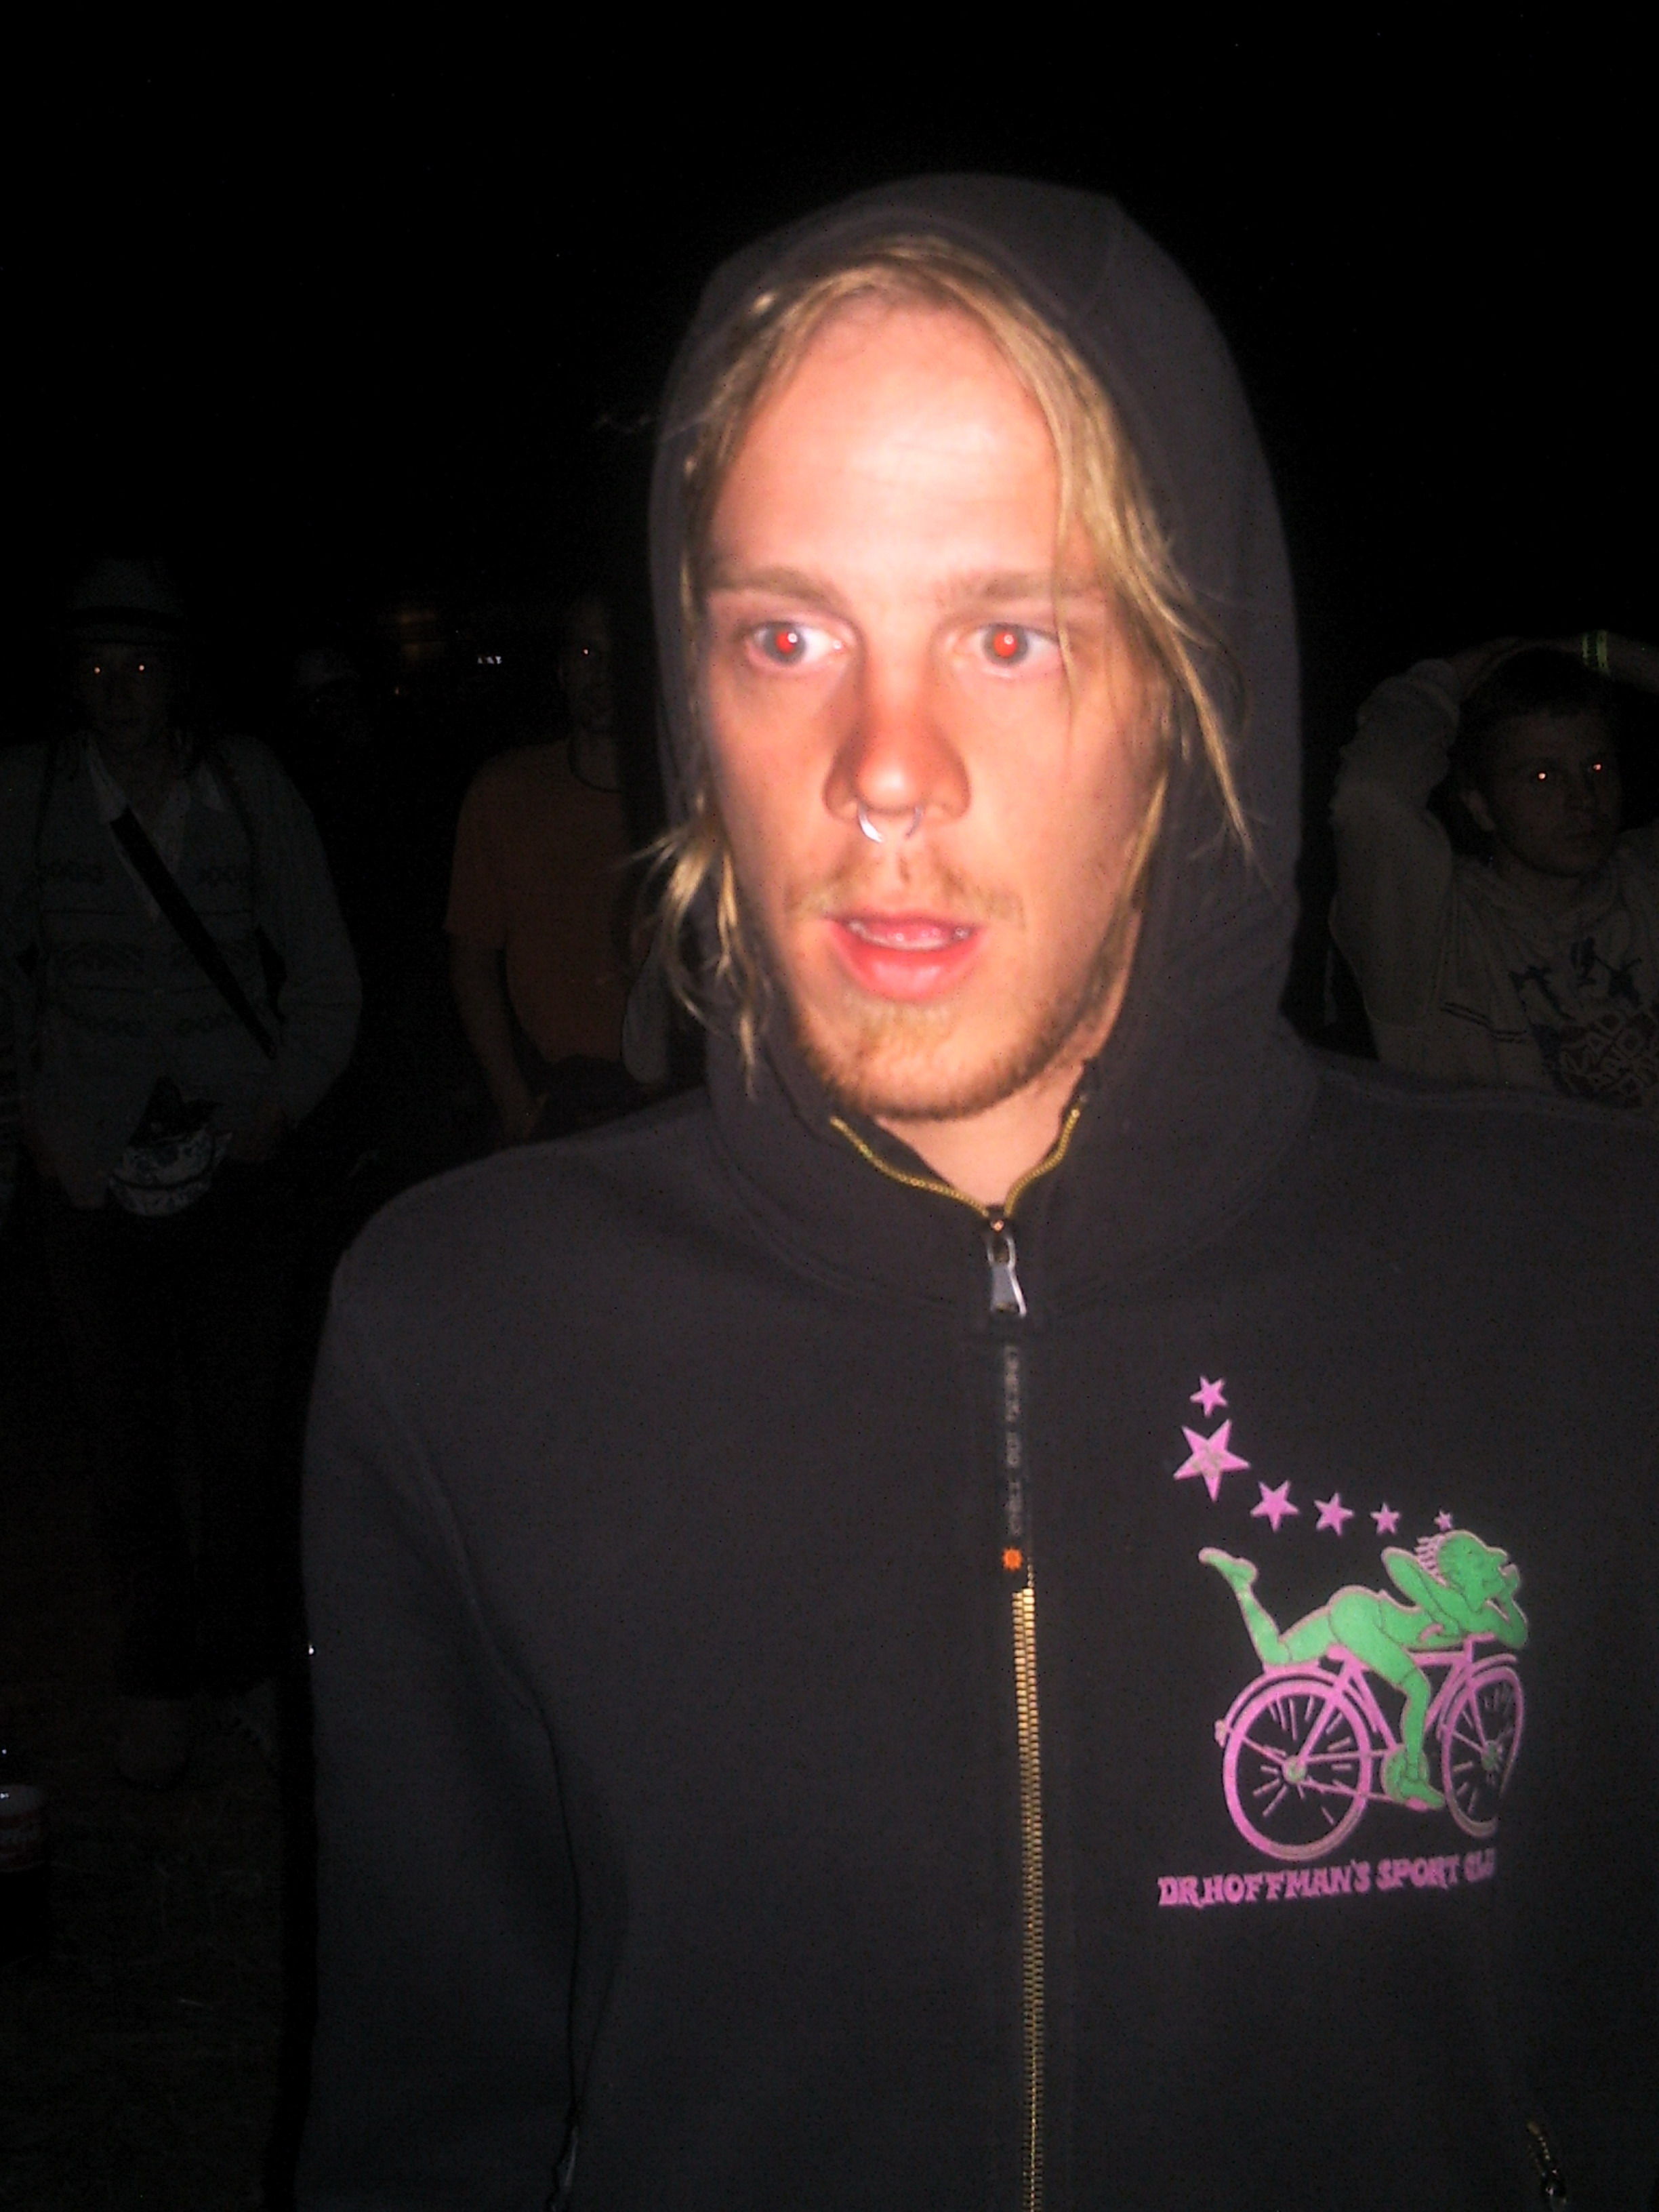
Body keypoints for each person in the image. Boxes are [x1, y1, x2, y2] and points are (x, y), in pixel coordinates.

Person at [300, 184, 1659, 2208]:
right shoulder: (467, 1340)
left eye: (1009, 635)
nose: (885, 768)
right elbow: (437, 2118)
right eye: (786, 635)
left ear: (1190, 697)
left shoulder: (1587, 1282)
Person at [0, 559, 360, 1787]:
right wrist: (36, 1119)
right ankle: (156, 1673)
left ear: (179, 674)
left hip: (236, 1167)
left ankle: (246, 1662)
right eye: (97, 665)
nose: (119, 688)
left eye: (141, 664)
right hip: (90, 1171)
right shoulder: (30, 795)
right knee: (123, 1440)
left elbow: (324, 966)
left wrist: (279, 1101)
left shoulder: (243, 785)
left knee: (244, 1435)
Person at [1332, 634, 1659, 1102]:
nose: (1583, 798)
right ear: (1481, 806)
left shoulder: (1645, 878)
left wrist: (1596, 650)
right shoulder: (1435, 935)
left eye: (1598, 768)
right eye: (1543, 776)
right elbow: (1371, 797)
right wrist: (1451, 674)